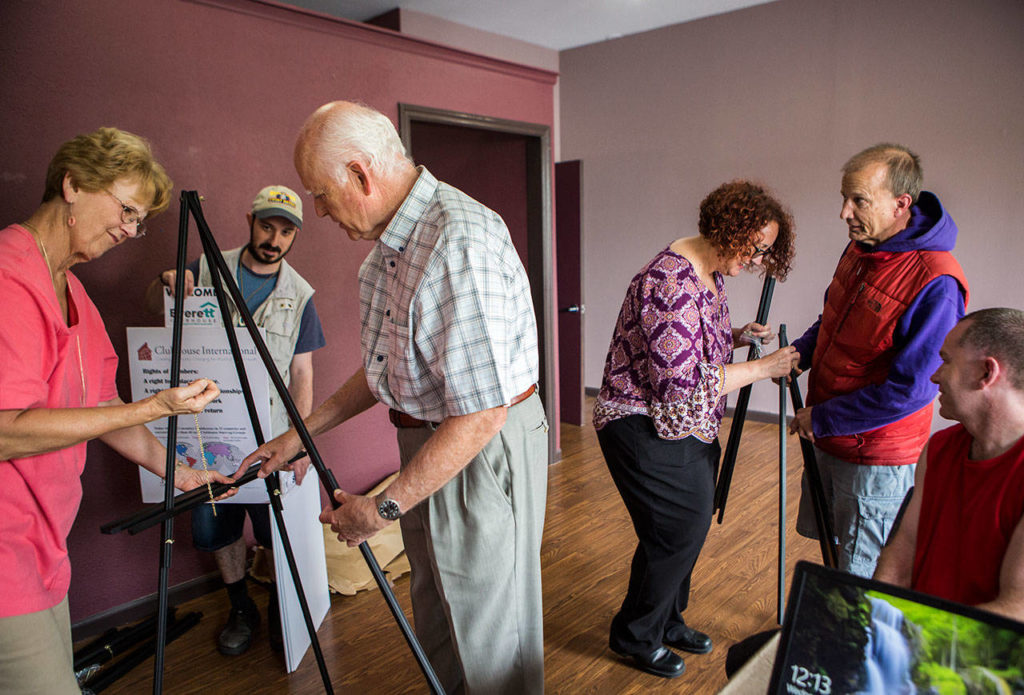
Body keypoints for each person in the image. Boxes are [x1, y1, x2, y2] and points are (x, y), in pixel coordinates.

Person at [242, 101, 548, 694]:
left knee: (489, 635)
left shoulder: (457, 239)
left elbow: (482, 412)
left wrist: (380, 508)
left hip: (478, 446)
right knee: (440, 621)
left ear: (360, 174)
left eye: (322, 194)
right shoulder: (391, 247)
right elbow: (386, 369)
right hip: (432, 442)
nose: (321, 210)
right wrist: (297, 434)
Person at [0, 127, 231, 695]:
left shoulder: (74, 292)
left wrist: (182, 474)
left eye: (140, 220)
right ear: (73, 185)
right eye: (126, 210)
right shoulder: (10, 278)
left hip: (43, 545)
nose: (130, 230)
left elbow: (103, 404)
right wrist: (150, 406)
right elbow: (5, 431)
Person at [593, 181, 800, 679]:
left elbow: (690, 344)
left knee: (683, 525)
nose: (756, 262)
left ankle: (666, 620)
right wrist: (761, 368)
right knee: (677, 530)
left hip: (685, 425)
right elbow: (679, 387)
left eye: (766, 253)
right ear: (729, 231)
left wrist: (734, 337)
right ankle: (634, 635)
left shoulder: (708, 274)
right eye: (755, 249)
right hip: (640, 422)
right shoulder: (670, 282)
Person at [145, 185, 326, 655]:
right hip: (210, 433)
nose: (275, 238)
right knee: (217, 526)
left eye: (286, 231)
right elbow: (152, 309)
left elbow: (302, 372)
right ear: (250, 219)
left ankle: (281, 606)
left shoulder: (300, 294)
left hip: (271, 436)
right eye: (267, 226)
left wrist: (300, 441)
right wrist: (163, 283)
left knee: (274, 530)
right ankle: (240, 604)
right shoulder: (205, 268)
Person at [789, 144, 969, 578]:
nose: (844, 212)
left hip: (874, 455)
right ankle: (829, 629)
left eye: (858, 201)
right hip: (833, 435)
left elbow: (914, 387)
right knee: (836, 556)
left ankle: (855, 646)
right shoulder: (863, 247)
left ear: (900, 204)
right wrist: (799, 354)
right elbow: (834, 318)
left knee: (864, 571)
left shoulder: (936, 281)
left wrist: (825, 418)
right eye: (844, 198)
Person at [873, 309, 1024, 621]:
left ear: (986, 373)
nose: (934, 375)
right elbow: (903, 549)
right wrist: (874, 618)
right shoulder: (941, 448)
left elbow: (1015, 609)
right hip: (914, 638)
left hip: (976, 659)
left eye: (947, 360)